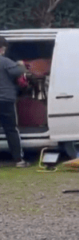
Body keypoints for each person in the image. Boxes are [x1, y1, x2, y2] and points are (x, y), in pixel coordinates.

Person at [0, 36, 29, 167]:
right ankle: (18, 160)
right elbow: (21, 71)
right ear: (2, 49)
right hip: (6, 100)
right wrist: (21, 64)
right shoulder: (5, 62)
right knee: (11, 130)